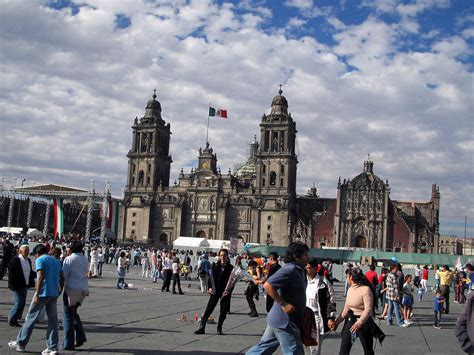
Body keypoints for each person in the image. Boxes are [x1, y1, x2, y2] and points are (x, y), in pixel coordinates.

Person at [246, 242, 309, 355]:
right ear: (296, 255)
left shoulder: (300, 271)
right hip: (285, 321)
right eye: (305, 254)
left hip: (278, 320)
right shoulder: (289, 270)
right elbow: (268, 285)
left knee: (262, 350)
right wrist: (283, 304)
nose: (307, 257)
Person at [8, 244, 64, 354]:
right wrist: (59, 291)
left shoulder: (40, 260)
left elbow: (40, 277)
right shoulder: (56, 261)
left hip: (43, 293)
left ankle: (21, 343)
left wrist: (37, 294)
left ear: (37, 253)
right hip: (53, 293)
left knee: (31, 318)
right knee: (52, 321)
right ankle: (52, 347)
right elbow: (62, 277)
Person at [332, 268, 377, 355]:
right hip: (350, 320)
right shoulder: (350, 289)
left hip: (363, 322)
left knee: (368, 350)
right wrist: (336, 322)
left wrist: (359, 323)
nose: (346, 279)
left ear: (351, 277)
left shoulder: (365, 289)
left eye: (347, 277)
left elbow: (368, 309)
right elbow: (346, 308)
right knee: (344, 349)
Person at [194, 248, 234, 335]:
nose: (222, 257)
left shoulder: (231, 268)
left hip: (225, 292)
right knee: (209, 308)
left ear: (227, 256)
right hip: (215, 290)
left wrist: (229, 291)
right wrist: (209, 287)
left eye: (224, 255)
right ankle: (202, 327)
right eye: (221, 255)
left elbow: (232, 282)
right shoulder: (215, 266)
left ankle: (219, 327)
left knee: (223, 311)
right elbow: (210, 278)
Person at [305, 258, 336, 355]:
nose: (306, 270)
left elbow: (331, 300)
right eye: (305, 267)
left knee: (315, 346)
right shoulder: (302, 280)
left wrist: (331, 317)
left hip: (316, 317)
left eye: (309, 268)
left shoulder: (323, 283)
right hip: (303, 316)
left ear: (315, 268)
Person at [62, 241, 89, 350]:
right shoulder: (85, 259)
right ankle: (81, 336)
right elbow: (86, 271)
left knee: (68, 316)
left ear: (71, 249)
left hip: (71, 290)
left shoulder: (69, 259)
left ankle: (68, 343)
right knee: (73, 313)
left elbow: (64, 275)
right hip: (82, 290)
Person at [7, 245, 36, 327]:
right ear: (20, 251)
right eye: (25, 250)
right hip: (16, 285)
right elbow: (11, 274)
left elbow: (30, 271)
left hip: (25, 284)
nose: (27, 252)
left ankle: (15, 318)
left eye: (28, 250)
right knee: (19, 302)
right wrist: (11, 285)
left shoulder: (28, 260)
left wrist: (38, 274)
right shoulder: (15, 260)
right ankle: (12, 318)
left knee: (22, 303)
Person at [385, 263, 409, 327]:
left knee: (390, 307)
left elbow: (387, 284)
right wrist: (397, 296)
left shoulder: (389, 275)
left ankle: (389, 321)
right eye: (396, 269)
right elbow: (395, 287)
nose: (397, 270)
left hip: (389, 294)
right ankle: (400, 322)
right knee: (396, 308)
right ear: (393, 269)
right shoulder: (393, 276)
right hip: (394, 295)